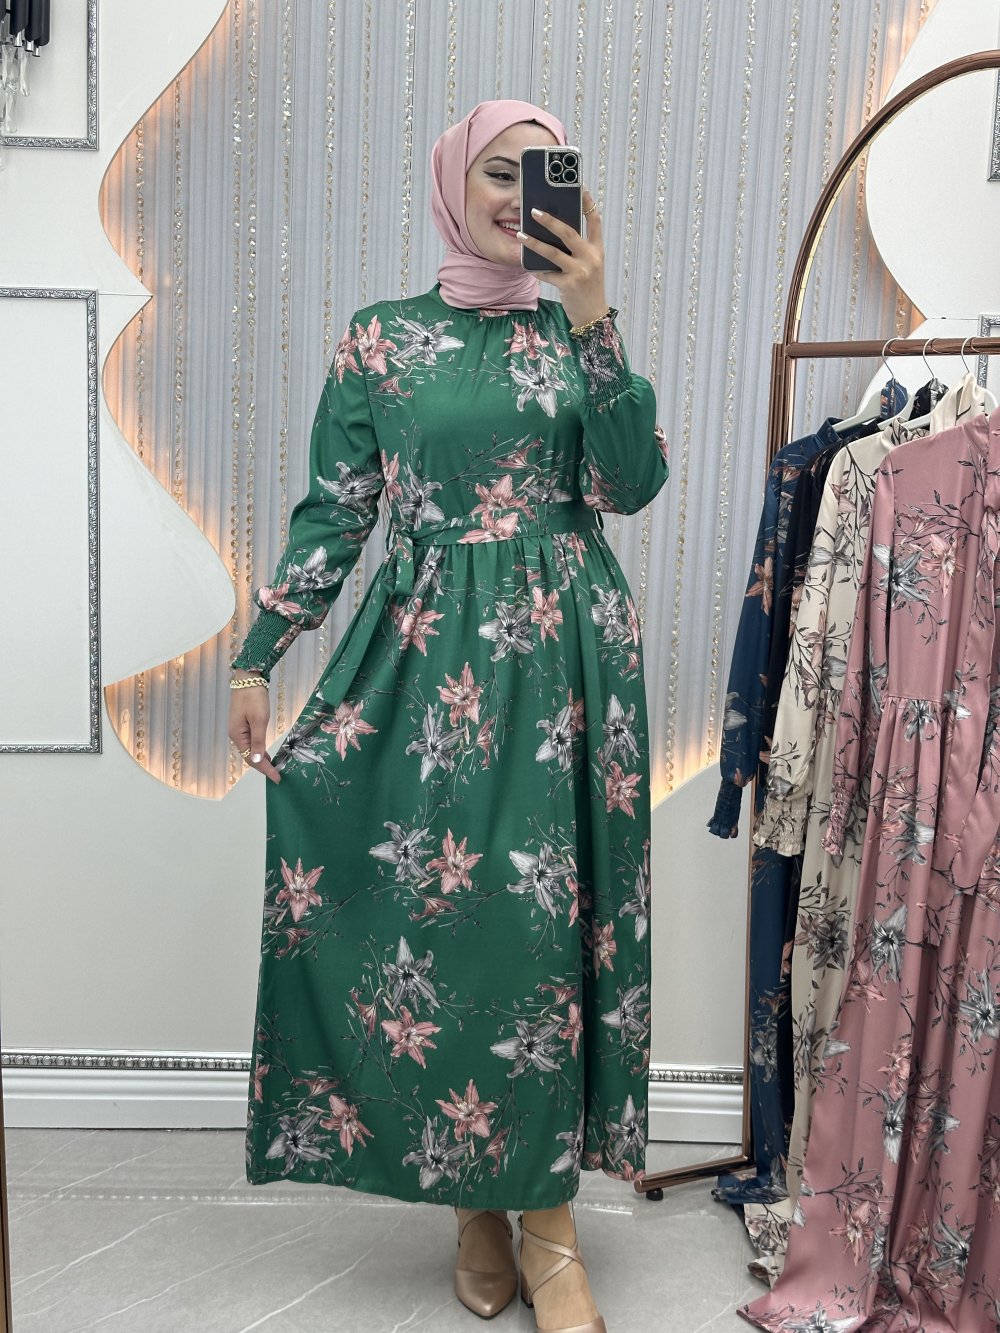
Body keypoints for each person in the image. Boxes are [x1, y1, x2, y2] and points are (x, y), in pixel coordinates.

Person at [228, 99, 667, 1333]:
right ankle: (479, 1201)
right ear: (451, 183)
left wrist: (595, 315)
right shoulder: (382, 339)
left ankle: (545, 1223)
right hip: (435, 672)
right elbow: (338, 509)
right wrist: (260, 655)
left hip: (570, 664)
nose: (518, 193)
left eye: (542, 171)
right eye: (496, 171)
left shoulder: (576, 329)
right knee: (457, 924)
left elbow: (627, 482)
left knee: (549, 928)